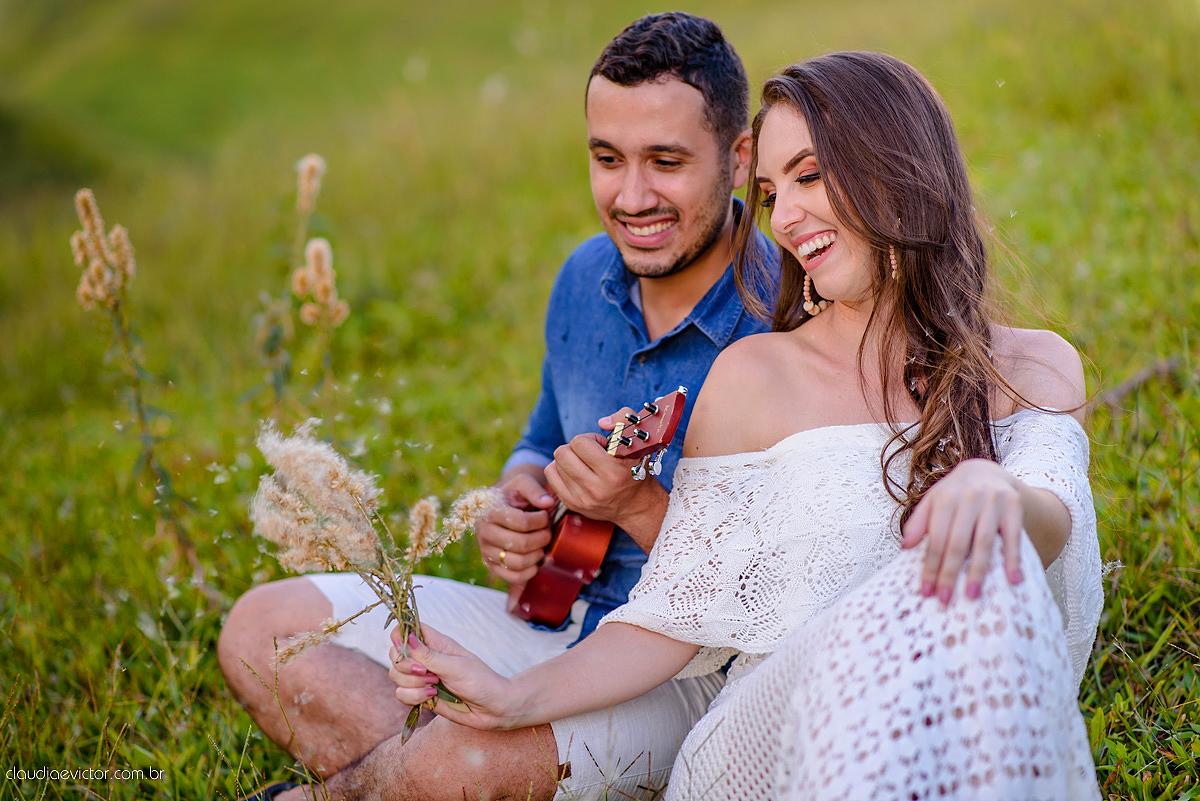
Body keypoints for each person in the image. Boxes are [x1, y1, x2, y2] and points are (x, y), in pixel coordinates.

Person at [389, 51, 1105, 800]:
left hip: (954, 734)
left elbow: (1051, 515)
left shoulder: (1033, 369)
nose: (785, 218)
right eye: (770, 190)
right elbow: (671, 612)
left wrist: (994, 494)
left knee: (973, 577)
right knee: (916, 592)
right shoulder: (753, 376)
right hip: (761, 745)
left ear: (899, 166)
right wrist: (515, 697)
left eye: (809, 176)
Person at [217, 12, 777, 801]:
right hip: (550, 615)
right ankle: (431, 777)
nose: (631, 196)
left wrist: (642, 506)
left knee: (467, 762)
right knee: (257, 633)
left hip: (688, 671)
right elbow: (543, 432)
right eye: (607, 158)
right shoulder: (585, 276)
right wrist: (516, 497)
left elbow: (776, 591)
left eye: (667, 161)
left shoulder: (788, 315)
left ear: (740, 155)